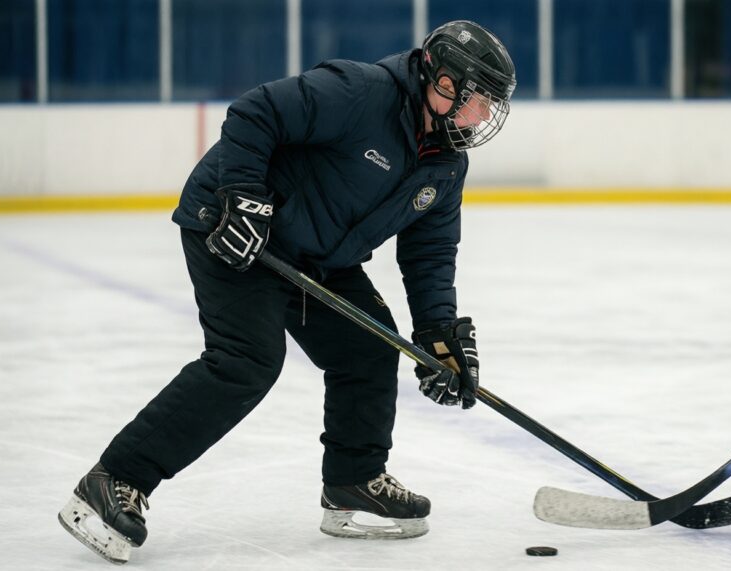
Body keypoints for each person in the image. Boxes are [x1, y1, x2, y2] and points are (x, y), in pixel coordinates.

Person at [57, 20, 515, 564]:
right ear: (443, 82)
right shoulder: (362, 91)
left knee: (369, 349)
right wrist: (243, 198)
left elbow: (430, 254)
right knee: (246, 360)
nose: (483, 116)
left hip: (316, 256)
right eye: (479, 101)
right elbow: (255, 112)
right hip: (231, 227)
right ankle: (115, 479)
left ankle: (353, 481)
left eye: (490, 106)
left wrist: (439, 333)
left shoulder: (446, 165)